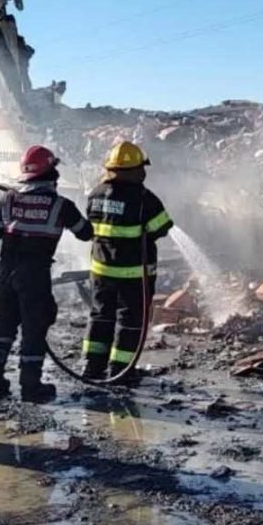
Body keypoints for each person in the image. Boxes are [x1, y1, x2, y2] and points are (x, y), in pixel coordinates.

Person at [0, 145, 91, 401]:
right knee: (34, 327)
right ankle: (31, 387)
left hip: (6, 272)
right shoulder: (62, 205)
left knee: (4, 323)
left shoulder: (8, 199)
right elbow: (86, 233)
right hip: (34, 274)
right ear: (52, 174)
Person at [83, 141, 173, 383]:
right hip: (133, 274)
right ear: (135, 170)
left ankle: (92, 367)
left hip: (101, 271)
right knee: (131, 322)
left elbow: (91, 225)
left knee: (100, 316)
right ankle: (121, 371)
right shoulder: (144, 199)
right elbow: (162, 228)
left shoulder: (95, 193)